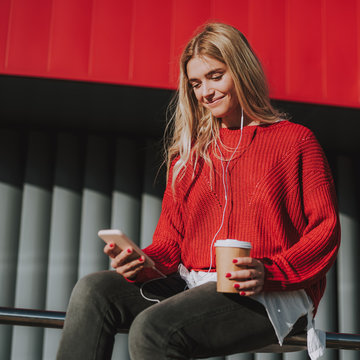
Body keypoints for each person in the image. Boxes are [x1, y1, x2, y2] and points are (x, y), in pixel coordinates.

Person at [57, 22, 340, 360]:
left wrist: (270, 271)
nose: (205, 92)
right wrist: (143, 262)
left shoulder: (294, 140)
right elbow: (169, 245)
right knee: (94, 291)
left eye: (215, 76)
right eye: (195, 83)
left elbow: (325, 232)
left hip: (268, 293)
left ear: (241, 70)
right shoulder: (189, 155)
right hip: (192, 285)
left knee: (153, 330)